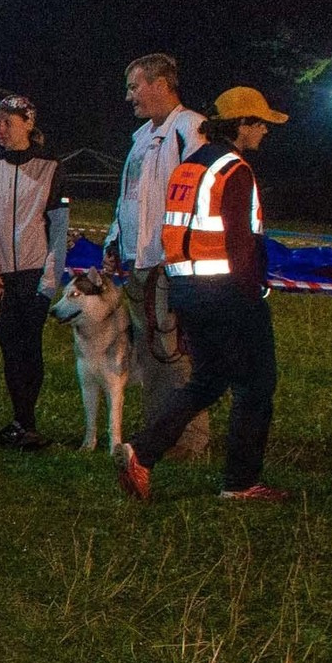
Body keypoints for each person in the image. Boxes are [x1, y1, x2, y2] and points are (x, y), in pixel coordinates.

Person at [114, 86, 288, 503]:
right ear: (241, 125)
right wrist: (254, 292)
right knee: (256, 384)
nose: (265, 131)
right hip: (228, 292)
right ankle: (241, 482)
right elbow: (242, 241)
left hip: (187, 288)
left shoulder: (189, 166)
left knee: (208, 380)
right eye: (260, 123)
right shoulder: (235, 169)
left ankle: (142, 451)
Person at [101, 54, 209, 461]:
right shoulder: (141, 138)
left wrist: (182, 254)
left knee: (176, 354)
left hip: (172, 265)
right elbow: (129, 199)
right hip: (139, 264)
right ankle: (159, 433)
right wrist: (115, 243)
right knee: (150, 356)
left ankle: (189, 442)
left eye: (134, 86)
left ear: (162, 83)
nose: (129, 96)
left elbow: (201, 195)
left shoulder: (192, 129)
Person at [0, 93, 69, 447]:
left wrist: (48, 282)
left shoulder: (50, 167)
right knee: (10, 348)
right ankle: (23, 422)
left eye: (8, 122)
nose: (0, 129)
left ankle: (26, 422)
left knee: (30, 347)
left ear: (28, 123)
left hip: (34, 273)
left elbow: (58, 230)